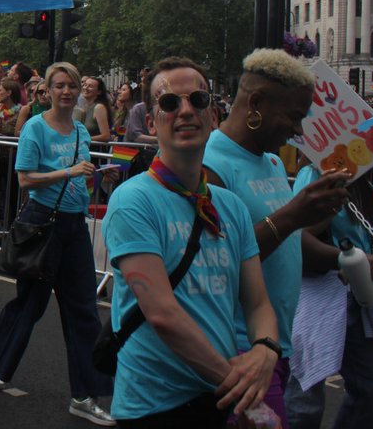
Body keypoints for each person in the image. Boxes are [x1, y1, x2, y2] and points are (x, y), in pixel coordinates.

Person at [103, 56, 280, 427]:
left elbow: (258, 302)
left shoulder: (229, 205)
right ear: (151, 122)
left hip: (215, 396)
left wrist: (265, 351)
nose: (185, 110)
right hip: (155, 406)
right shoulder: (132, 200)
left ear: (212, 115)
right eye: (170, 103)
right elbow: (163, 315)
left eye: (197, 101)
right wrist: (243, 391)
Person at [203, 48, 351, 426]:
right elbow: (217, 264)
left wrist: (321, 217)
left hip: (275, 347)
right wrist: (292, 215)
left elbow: (289, 240)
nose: (299, 131)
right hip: (236, 350)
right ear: (256, 103)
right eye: (294, 117)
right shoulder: (210, 165)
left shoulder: (268, 160)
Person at [0, 61, 115, 426]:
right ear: (48, 90)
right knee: (31, 303)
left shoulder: (82, 131)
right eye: (59, 85)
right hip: (42, 223)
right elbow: (25, 180)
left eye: (72, 86)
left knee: (83, 309)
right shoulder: (36, 127)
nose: (66, 91)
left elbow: (80, 178)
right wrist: (67, 171)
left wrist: (95, 175)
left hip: (73, 226)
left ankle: (85, 394)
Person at [284, 163, 373, 429]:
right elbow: (297, 232)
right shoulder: (312, 174)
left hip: (358, 294)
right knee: (306, 398)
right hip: (317, 294)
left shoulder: (365, 183)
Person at [79, 76, 113, 143]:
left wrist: (84, 139)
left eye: (90, 86)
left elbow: (106, 136)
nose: (86, 88)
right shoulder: (85, 107)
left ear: (99, 92)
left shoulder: (99, 107)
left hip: (95, 151)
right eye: (85, 85)